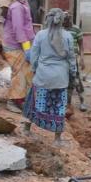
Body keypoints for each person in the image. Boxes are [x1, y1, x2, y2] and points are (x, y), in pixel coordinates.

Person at [24, 8, 77, 142]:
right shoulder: (68, 36)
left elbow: (34, 56)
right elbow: (72, 58)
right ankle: (57, 138)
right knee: (59, 107)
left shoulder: (40, 35)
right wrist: (73, 73)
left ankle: (26, 129)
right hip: (61, 79)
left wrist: (34, 69)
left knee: (33, 103)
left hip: (42, 76)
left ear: (47, 19)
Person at [0, 0, 34, 110]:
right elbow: (19, 29)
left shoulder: (21, 4)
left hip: (21, 43)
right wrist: (27, 48)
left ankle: (22, 98)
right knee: (18, 73)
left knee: (25, 71)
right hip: (15, 45)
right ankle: (13, 101)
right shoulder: (16, 7)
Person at [63, 11, 86, 112]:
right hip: (63, 60)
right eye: (64, 21)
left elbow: (81, 46)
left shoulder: (76, 29)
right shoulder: (60, 29)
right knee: (66, 82)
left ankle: (82, 102)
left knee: (76, 81)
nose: (65, 23)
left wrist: (82, 59)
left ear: (70, 20)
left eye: (67, 21)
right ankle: (68, 103)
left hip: (73, 59)